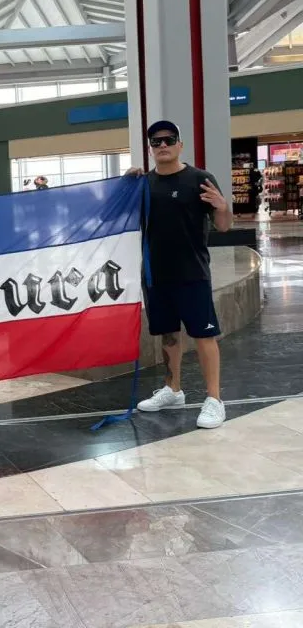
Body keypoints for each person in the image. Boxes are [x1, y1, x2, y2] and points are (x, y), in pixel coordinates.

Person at [127, 121, 232, 429]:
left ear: (179, 144)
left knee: (203, 336)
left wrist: (223, 206)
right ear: (150, 148)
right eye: (156, 142)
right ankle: (173, 390)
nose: (162, 145)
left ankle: (214, 399)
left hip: (192, 274)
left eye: (168, 140)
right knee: (168, 335)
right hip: (156, 275)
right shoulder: (144, 184)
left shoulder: (199, 179)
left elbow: (224, 224)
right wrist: (125, 183)